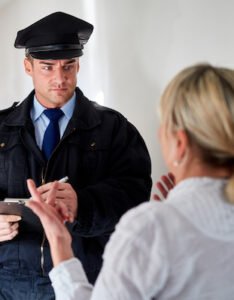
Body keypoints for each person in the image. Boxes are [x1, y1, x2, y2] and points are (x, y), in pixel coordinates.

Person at [27, 63, 234, 299]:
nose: (60, 78)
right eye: (47, 67)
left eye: (162, 125)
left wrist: (59, 241)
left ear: (180, 144)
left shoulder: (150, 229)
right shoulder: (157, 225)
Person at [0, 11, 152, 300]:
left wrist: (83, 203)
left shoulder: (113, 128)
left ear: (78, 65)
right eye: (47, 67)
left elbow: (136, 196)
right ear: (27, 66)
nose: (60, 78)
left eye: (68, 66)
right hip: (9, 285)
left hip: (88, 281)